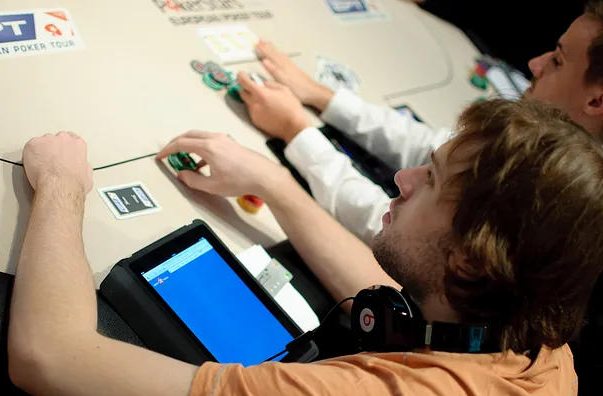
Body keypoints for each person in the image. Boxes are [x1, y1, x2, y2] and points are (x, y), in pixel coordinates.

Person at [8, 98, 603, 396]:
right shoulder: (541, 350)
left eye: (431, 182)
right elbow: (399, 288)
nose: (400, 179)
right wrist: (274, 184)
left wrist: (63, 185)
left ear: (472, 261)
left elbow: (52, 357)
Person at [237, 0, 603, 244]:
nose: (535, 64)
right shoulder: (546, 141)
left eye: (557, 60)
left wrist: (297, 132)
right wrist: (325, 98)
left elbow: (395, 230)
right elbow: (436, 146)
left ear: (597, 100)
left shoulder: (550, 187)